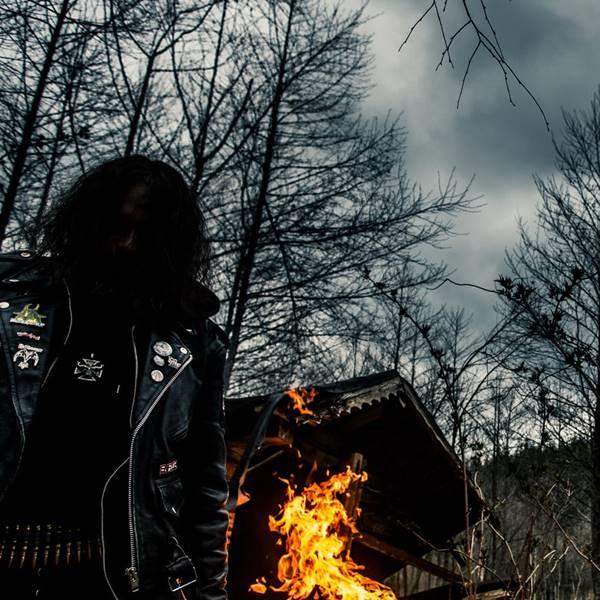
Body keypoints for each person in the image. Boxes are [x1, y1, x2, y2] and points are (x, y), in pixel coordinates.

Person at [0, 155, 230, 599]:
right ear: (88, 220)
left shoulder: (194, 344)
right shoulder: (11, 298)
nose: (126, 245)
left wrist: (211, 593)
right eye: (117, 225)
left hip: (107, 581)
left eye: (147, 236)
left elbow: (204, 488)